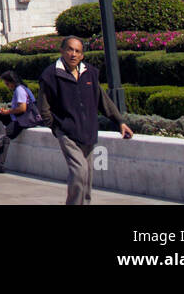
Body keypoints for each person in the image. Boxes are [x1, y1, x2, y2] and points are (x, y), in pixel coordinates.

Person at [37, 36, 133, 204]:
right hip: (66, 132)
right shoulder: (51, 75)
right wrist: (56, 127)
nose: (73, 54)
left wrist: (120, 122)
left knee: (87, 176)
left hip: (88, 130)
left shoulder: (89, 73)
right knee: (79, 172)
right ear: (62, 51)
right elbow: (44, 107)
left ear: (82, 55)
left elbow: (102, 100)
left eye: (77, 51)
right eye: (70, 49)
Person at [0, 70, 40, 173]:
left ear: (12, 81)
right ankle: (0, 137)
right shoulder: (23, 88)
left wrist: (7, 112)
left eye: (7, 84)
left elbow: (22, 108)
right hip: (18, 118)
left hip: (21, 120)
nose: (7, 86)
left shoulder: (19, 90)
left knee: (4, 138)